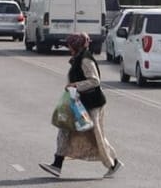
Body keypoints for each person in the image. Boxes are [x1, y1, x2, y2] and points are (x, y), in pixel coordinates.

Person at [39, 32, 123, 178]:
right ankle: (57, 164)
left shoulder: (85, 60)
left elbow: (94, 81)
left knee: (95, 135)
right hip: (80, 103)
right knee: (65, 130)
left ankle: (113, 163)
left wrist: (75, 85)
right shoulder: (78, 58)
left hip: (92, 104)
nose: (68, 48)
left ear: (76, 46)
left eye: (70, 45)